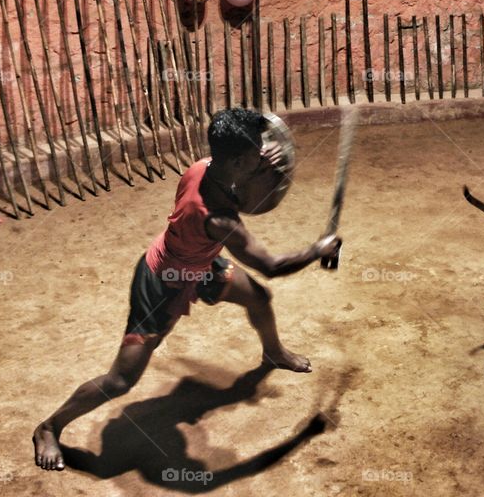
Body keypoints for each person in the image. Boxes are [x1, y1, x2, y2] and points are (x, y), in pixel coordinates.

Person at [33, 108, 341, 470]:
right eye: (257, 153)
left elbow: (243, 191)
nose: (263, 154)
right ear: (239, 161)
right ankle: (48, 428)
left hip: (199, 264)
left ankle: (273, 353)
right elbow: (271, 266)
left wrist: (263, 165)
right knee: (120, 381)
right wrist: (317, 250)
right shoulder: (216, 219)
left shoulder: (204, 166)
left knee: (258, 299)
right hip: (163, 284)